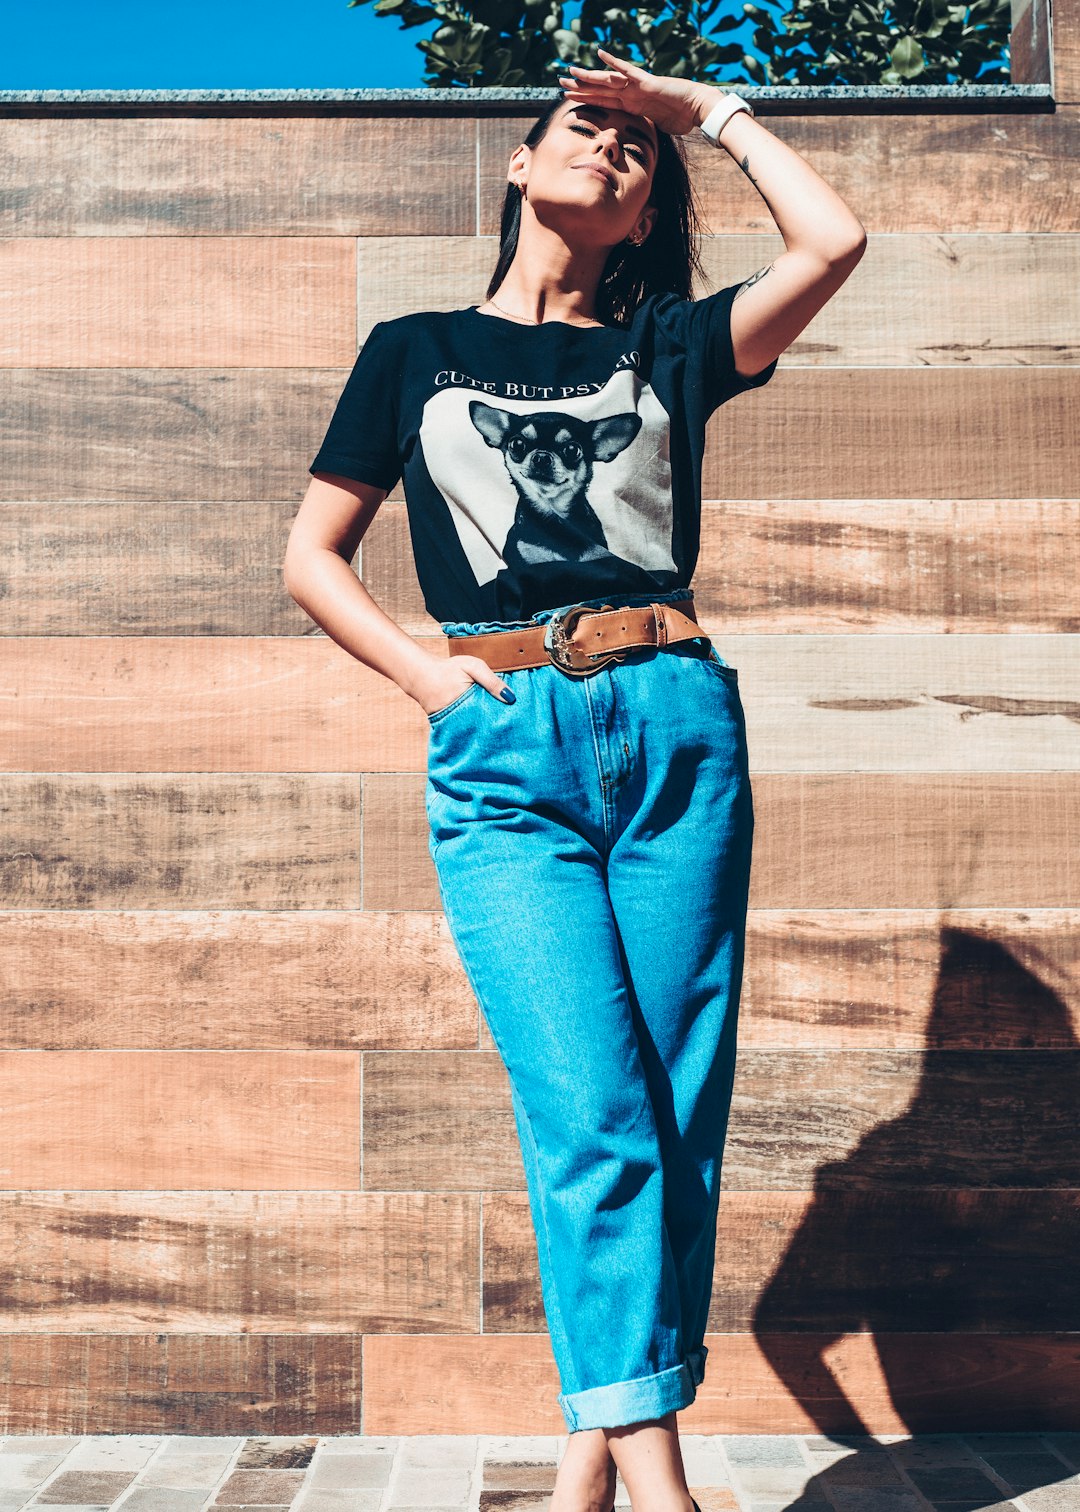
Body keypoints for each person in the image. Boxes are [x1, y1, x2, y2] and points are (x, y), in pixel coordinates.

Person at [284, 48, 865, 1512]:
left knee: (671, 1107)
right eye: (585, 130)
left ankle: (584, 1460)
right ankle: (654, 1474)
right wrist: (428, 679)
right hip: (503, 745)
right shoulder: (411, 351)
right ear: (517, 166)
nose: (613, 152)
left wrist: (705, 116)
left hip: (674, 730)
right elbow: (312, 557)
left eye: (635, 149)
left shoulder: (670, 346)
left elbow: (834, 240)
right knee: (594, 1111)